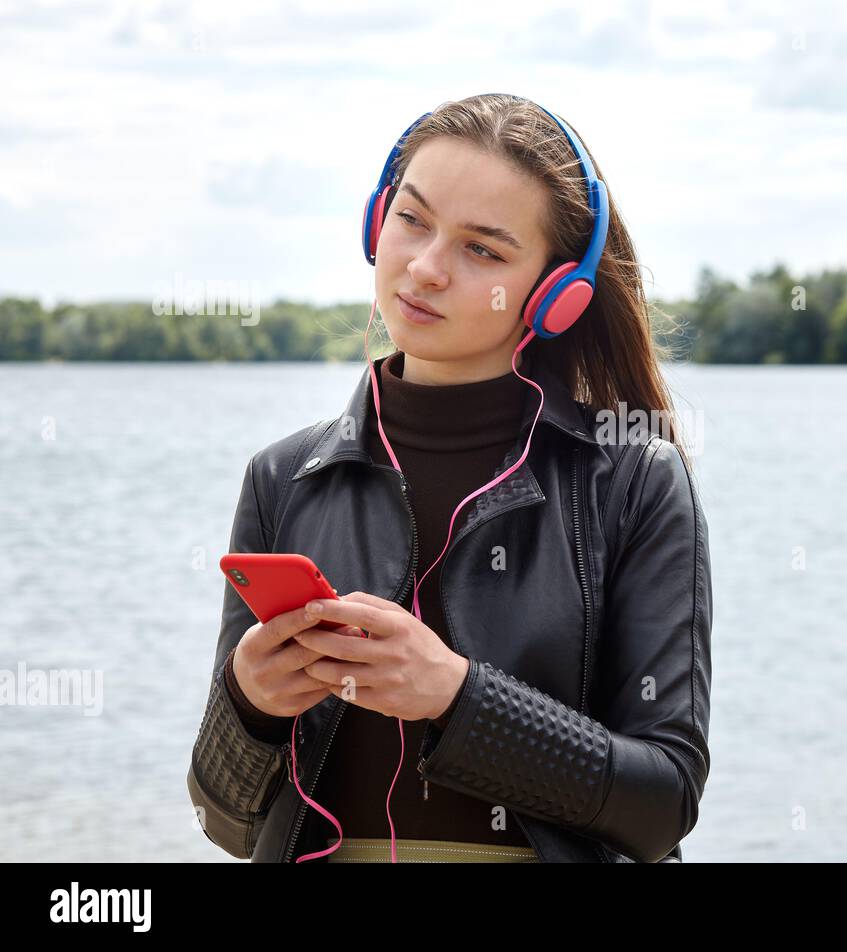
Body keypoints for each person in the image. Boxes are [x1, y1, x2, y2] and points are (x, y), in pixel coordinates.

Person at [186, 93, 713, 863]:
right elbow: (224, 824)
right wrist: (250, 705)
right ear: (377, 221)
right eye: (413, 219)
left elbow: (663, 804)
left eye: (483, 251)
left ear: (556, 296)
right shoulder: (282, 478)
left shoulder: (634, 481)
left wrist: (458, 697)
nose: (426, 268)